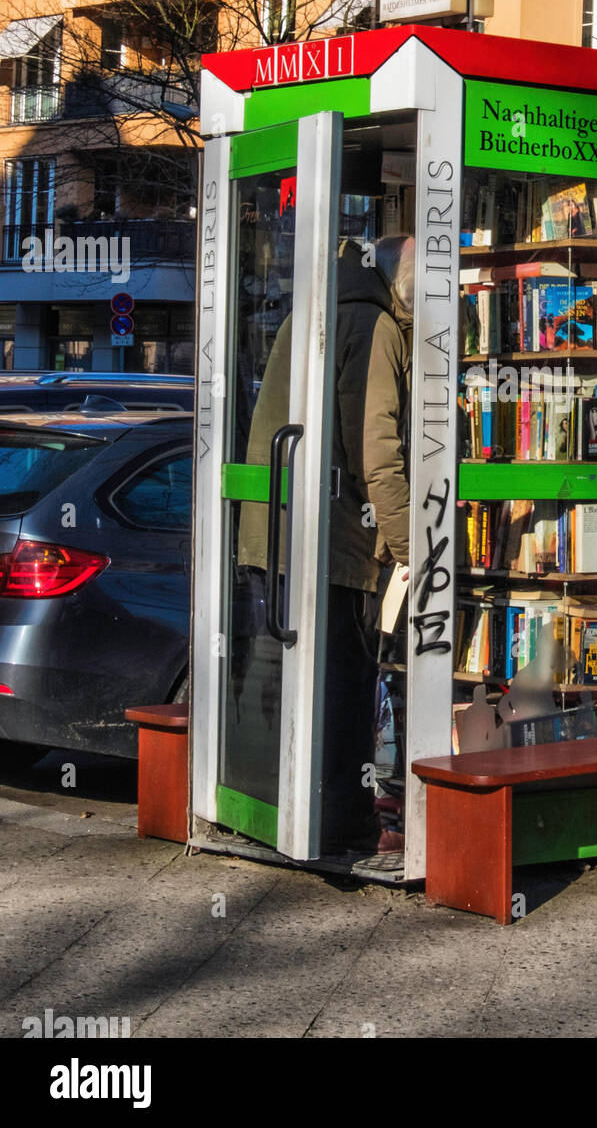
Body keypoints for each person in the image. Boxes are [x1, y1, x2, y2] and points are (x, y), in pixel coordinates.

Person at [238, 233, 414, 856]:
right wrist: (410, 545)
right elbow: (378, 455)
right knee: (342, 687)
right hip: (333, 542)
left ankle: (277, 810)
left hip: (275, 535)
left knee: (283, 682)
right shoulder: (373, 326)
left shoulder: (307, 314)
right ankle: (343, 825)